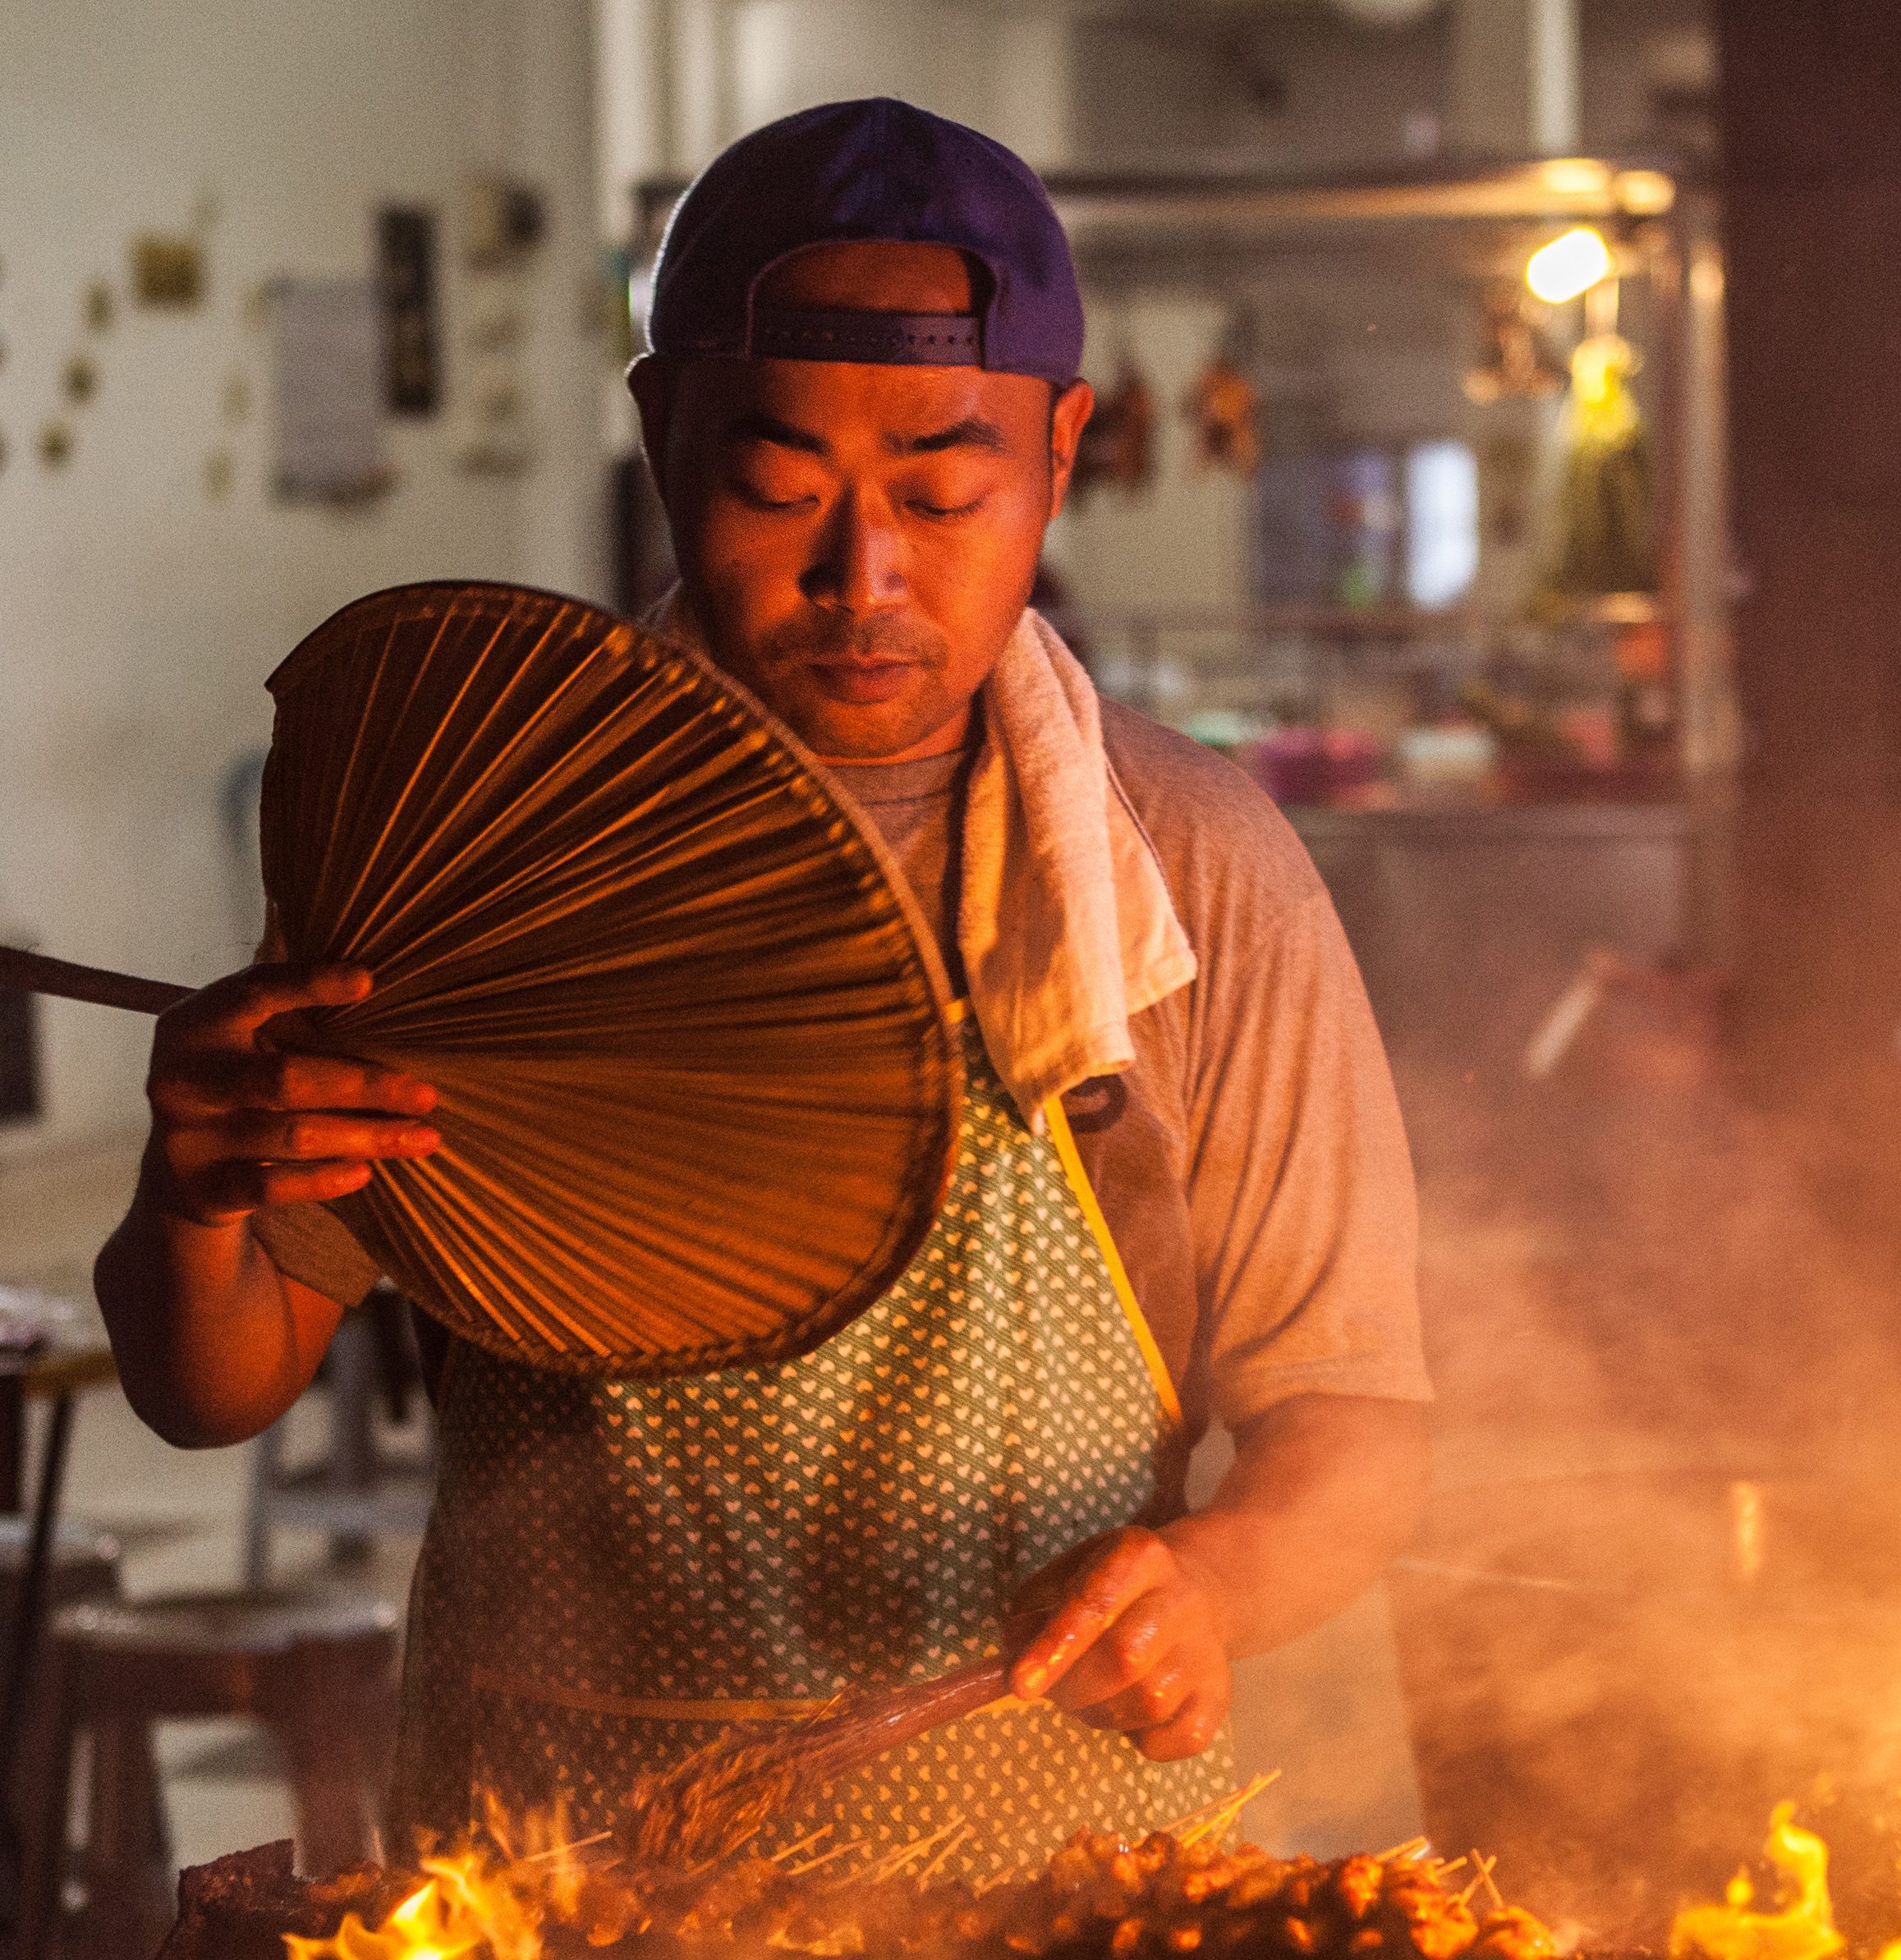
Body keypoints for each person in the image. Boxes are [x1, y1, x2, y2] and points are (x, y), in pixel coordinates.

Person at [92, 99, 1430, 1876]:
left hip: (1059, 1885)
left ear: (1059, 453)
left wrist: (1213, 1582)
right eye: (777, 487)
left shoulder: (1185, 870)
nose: (861, 578)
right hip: (562, 1876)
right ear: (659, 440)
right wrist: (194, 1198)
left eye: (944, 492)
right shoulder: (489, 839)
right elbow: (218, 1383)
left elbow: (1347, 1424)